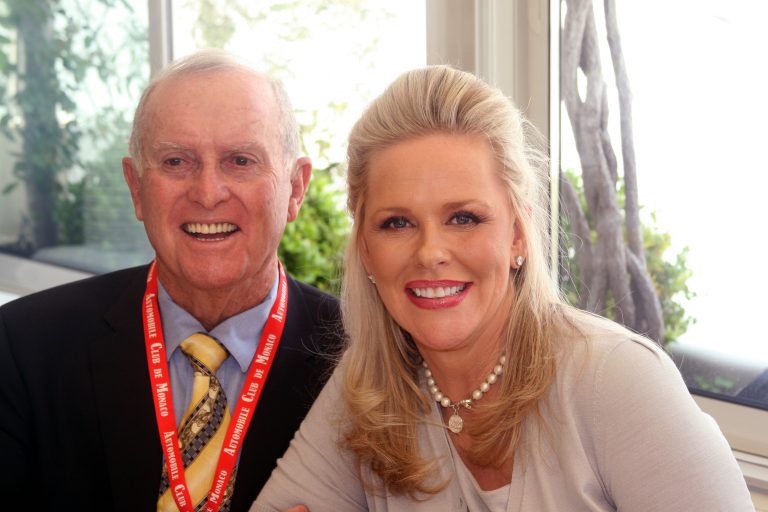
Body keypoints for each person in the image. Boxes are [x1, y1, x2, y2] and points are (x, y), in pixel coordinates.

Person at [251, 65, 755, 511]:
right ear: (366, 250)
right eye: (397, 223)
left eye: (464, 218)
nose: (431, 252)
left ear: (517, 233)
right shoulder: (366, 389)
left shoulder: (616, 381)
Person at [0, 49, 342, 512]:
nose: (207, 193)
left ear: (295, 188)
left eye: (240, 161)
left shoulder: (361, 357)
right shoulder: (23, 347)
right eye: (177, 162)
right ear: (136, 187)